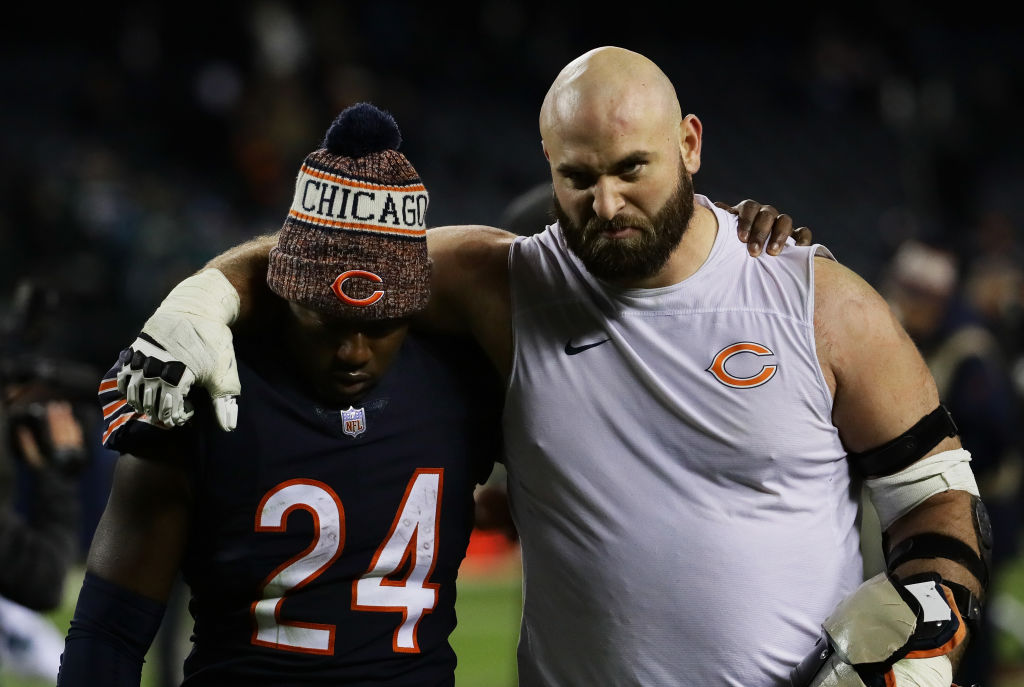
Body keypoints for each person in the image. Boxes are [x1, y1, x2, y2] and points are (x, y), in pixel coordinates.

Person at [100, 47, 989, 686]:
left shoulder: (818, 300)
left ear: (689, 143)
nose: (607, 203)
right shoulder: (507, 283)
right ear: (548, 170)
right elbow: (329, 253)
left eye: (633, 168)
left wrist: (929, 625)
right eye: (579, 176)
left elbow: (937, 493)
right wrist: (204, 296)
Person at [56, 103, 503, 686]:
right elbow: (110, 630)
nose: (353, 351)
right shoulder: (200, 385)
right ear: (282, 288)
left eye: (381, 323)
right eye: (326, 318)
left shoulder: (466, 378)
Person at [880, 239, 1020, 686]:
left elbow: (994, 435)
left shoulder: (968, 348)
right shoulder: (942, 337)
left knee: (965, 616)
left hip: (981, 504)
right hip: (951, 500)